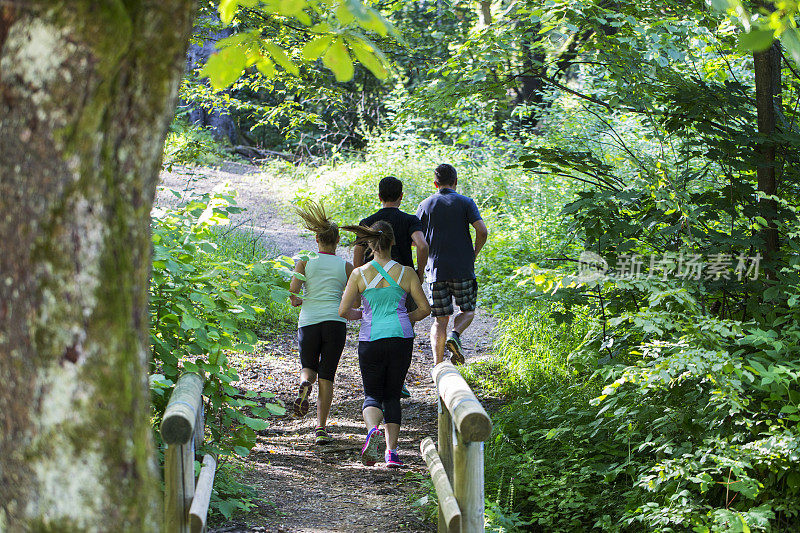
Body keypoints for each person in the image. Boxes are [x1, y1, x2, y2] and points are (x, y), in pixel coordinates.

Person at [338, 222, 431, 468]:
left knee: (372, 394)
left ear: (370, 244)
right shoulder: (407, 272)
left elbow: (344, 310)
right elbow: (424, 309)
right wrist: (404, 318)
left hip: (371, 338)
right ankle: (391, 453)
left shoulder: (359, 274)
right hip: (401, 338)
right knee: (392, 395)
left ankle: (371, 432)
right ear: (392, 242)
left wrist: (364, 315)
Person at [353, 176, 429, 398]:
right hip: (403, 281)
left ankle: (376, 381)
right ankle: (398, 380)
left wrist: (358, 280)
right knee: (405, 329)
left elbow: (357, 253)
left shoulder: (368, 221)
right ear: (401, 196)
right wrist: (419, 272)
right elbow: (422, 245)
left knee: (372, 323)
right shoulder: (409, 220)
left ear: (379, 196)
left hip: (372, 281)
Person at [288, 200, 353, 445]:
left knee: (309, 367)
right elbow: (353, 296)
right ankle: (321, 428)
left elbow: (293, 293)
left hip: (309, 321)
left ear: (317, 239)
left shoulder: (304, 261)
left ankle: (305, 382)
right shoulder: (346, 266)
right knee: (327, 376)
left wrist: (298, 300)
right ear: (337, 242)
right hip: (335, 323)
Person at [416, 163, 488, 366]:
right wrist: (473, 254)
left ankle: (438, 366)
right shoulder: (466, 202)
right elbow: (482, 231)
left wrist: (420, 268)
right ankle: (455, 335)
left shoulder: (425, 205)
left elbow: (416, 239)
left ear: (435, 183)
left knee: (440, 320)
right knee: (468, 310)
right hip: (462, 268)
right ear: (456, 182)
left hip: (436, 271)